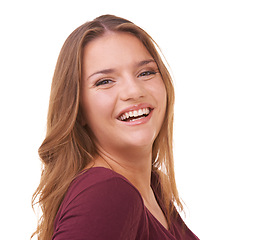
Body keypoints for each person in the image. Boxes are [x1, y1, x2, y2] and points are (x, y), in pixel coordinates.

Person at [32, 14, 199, 240]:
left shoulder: (153, 187)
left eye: (146, 72)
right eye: (105, 81)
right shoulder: (106, 193)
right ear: (78, 110)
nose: (133, 91)